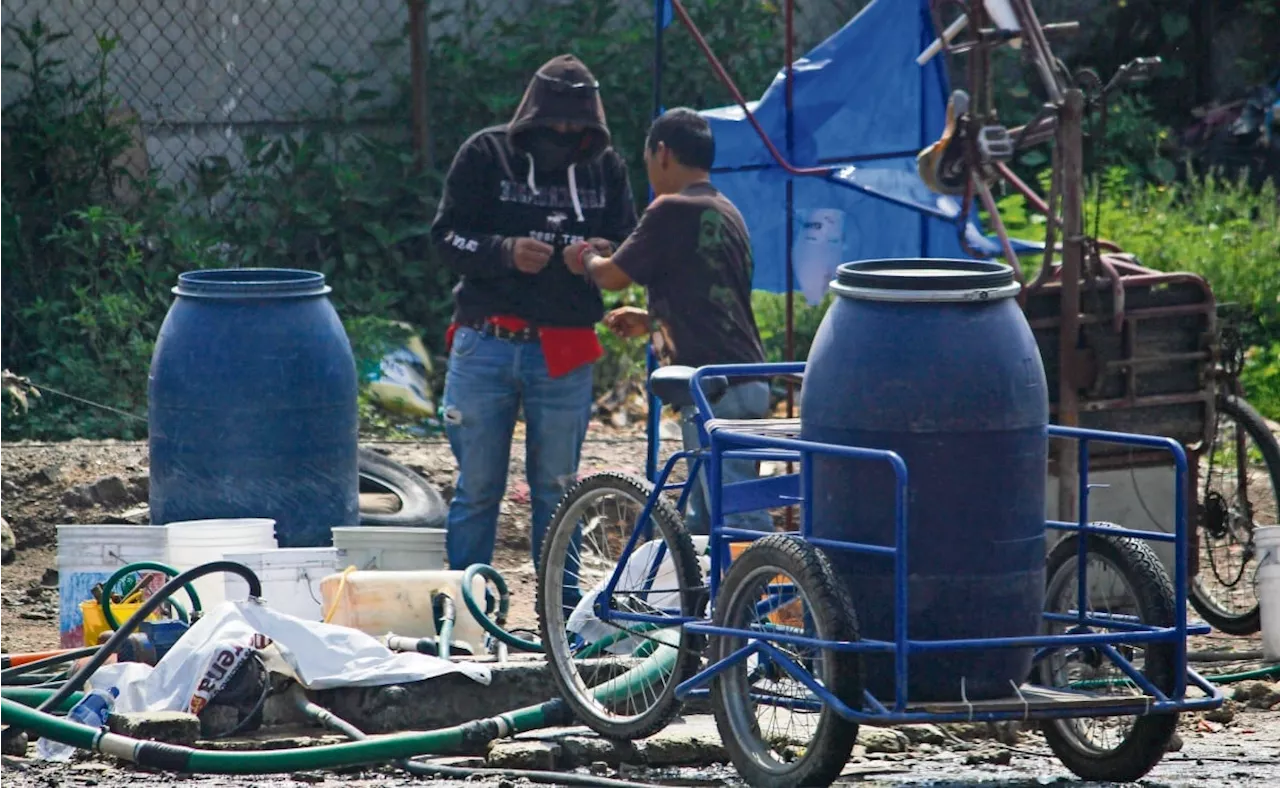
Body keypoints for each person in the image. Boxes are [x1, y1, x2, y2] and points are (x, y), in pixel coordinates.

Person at [430, 54, 637, 575]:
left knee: (557, 489)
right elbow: (446, 238)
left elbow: (629, 242)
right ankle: (464, 613)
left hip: (565, 346)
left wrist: (595, 252)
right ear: (533, 115)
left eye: (578, 124)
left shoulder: (606, 167)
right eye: (556, 122)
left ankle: (560, 624)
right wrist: (504, 251)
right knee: (477, 489)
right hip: (487, 340)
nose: (566, 132)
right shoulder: (485, 153)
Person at [564, 107, 771, 535]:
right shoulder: (725, 210)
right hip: (747, 378)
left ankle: (770, 597)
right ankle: (708, 603)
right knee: (704, 521)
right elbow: (712, 294)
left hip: (715, 388)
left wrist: (583, 254)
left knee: (738, 522)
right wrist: (653, 320)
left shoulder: (671, 209)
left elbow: (611, 276)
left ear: (662, 153)